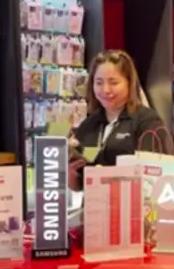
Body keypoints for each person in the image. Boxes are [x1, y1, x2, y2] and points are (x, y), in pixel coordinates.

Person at [68, 50, 167, 190]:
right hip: (95, 202)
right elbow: (78, 185)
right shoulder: (89, 125)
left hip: (132, 201)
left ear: (129, 83)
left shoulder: (147, 121)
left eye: (113, 82)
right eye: (99, 83)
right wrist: (71, 173)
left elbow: (156, 176)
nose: (105, 90)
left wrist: (107, 175)